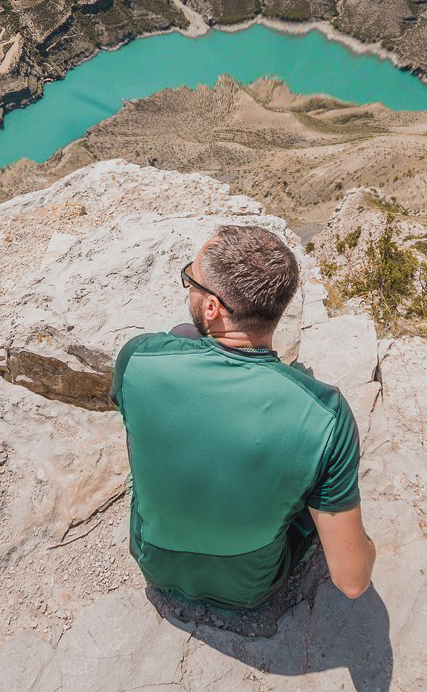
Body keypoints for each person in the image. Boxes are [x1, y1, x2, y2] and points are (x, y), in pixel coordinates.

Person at [109, 224, 376, 611]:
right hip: (249, 588)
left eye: (191, 280)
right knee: (310, 470)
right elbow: (353, 581)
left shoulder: (138, 357)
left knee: (181, 336)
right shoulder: (325, 415)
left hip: (154, 560)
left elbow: (131, 419)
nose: (189, 286)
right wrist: (369, 549)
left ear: (213, 307)